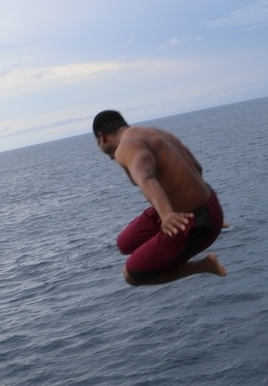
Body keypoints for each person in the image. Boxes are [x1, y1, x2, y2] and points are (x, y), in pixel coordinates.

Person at [93, 110, 227, 286]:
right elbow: (197, 168)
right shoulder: (155, 133)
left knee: (131, 275)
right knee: (124, 244)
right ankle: (167, 240)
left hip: (197, 221)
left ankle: (204, 265)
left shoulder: (126, 147)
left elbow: (146, 177)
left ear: (102, 137)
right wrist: (206, 205)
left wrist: (168, 215)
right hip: (202, 207)